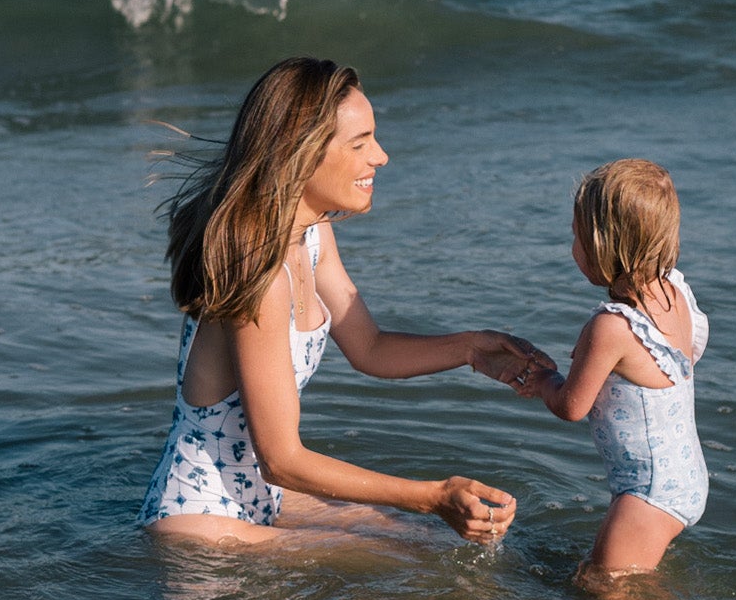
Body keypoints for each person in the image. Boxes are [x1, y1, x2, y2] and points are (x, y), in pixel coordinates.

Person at [138, 56, 548, 547]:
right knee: (414, 564)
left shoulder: (312, 235)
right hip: (201, 521)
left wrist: (471, 349)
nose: (381, 156)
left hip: (267, 501)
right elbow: (282, 458)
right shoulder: (261, 275)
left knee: (426, 545)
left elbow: (369, 347)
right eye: (360, 143)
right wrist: (434, 495)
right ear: (302, 153)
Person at [515, 159, 709, 579]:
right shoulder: (674, 293)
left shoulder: (612, 326)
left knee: (602, 591)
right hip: (684, 478)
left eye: (576, 237)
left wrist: (543, 379)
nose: (572, 248)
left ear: (604, 245)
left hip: (647, 494)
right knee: (605, 578)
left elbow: (572, 406)